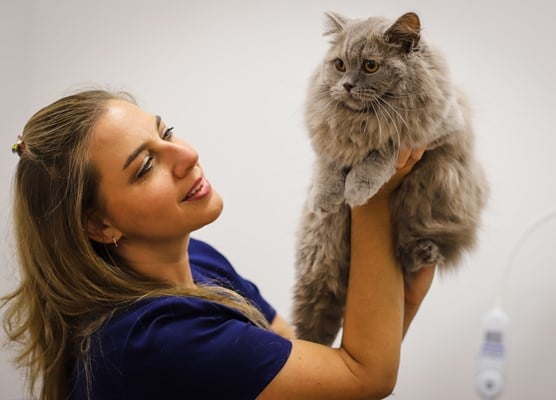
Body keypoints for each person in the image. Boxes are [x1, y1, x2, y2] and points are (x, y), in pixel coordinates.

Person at [2, 89, 435, 400]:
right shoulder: (153, 340)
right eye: (147, 165)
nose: (187, 155)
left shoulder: (199, 260)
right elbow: (364, 377)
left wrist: (405, 302)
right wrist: (372, 192)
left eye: (167, 132)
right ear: (100, 224)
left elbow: (317, 381)